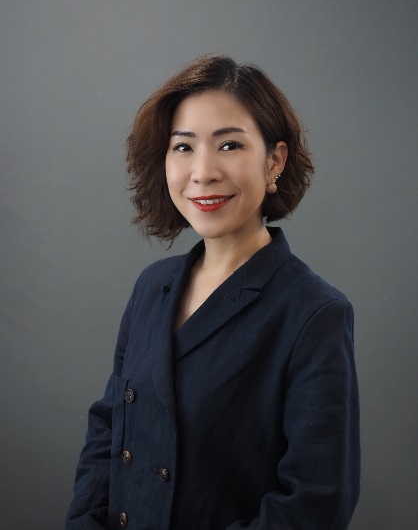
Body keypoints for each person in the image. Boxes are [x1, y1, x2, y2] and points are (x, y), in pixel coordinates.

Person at [66, 55, 360, 530]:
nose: (203, 172)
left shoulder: (314, 313)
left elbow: (316, 504)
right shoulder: (152, 286)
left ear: (274, 161)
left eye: (229, 145)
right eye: (183, 147)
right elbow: (109, 428)